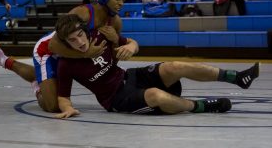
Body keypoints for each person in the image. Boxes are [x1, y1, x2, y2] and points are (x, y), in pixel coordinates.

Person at [54, 14, 260, 118]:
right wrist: (68, 108)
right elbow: (63, 97)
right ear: (66, 44)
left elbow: (132, 42)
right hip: (116, 98)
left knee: (174, 66)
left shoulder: (101, 35)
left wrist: (131, 48)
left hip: (130, 77)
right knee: (155, 95)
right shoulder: (66, 64)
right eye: (72, 40)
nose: (80, 42)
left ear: (86, 31)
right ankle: (203, 106)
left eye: (80, 35)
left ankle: (236, 77)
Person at [0, 0, 129, 112]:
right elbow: (53, 45)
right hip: (48, 51)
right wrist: (87, 54)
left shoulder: (116, 22)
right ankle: (8, 64)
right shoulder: (83, 13)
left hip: (72, 52)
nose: (121, 3)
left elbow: (113, 56)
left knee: (47, 79)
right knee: (53, 106)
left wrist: (117, 43)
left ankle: (37, 76)